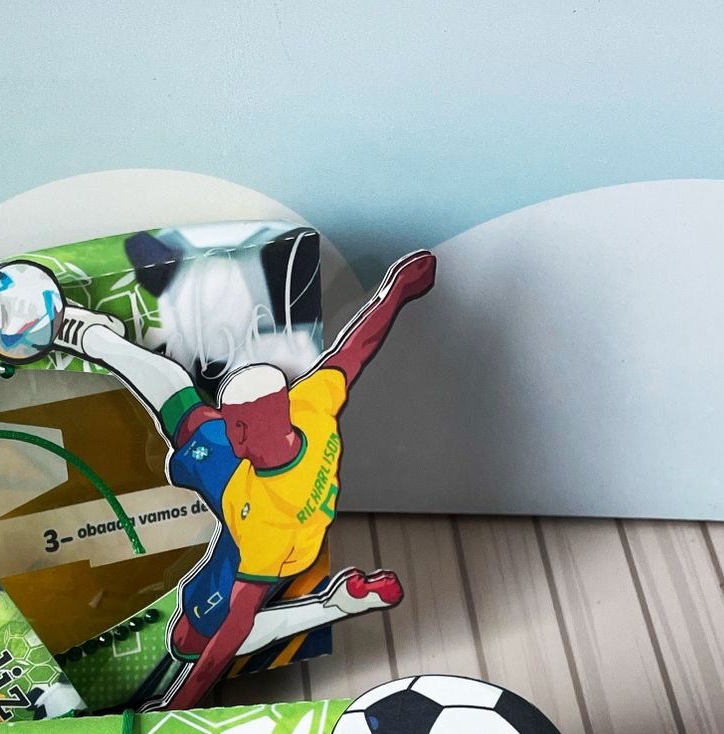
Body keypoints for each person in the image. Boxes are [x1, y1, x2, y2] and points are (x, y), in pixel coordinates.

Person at [53, 250, 437, 707]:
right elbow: (356, 347)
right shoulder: (312, 404)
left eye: (235, 424)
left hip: (262, 528)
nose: (226, 426)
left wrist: (176, 706)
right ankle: (89, 335)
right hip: (250, 475)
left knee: (189, 641)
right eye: (229, 419)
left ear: (256, 426)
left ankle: (338, 605)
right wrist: (398, 291)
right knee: (180, 398)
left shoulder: (264, 535)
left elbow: (232, 632)